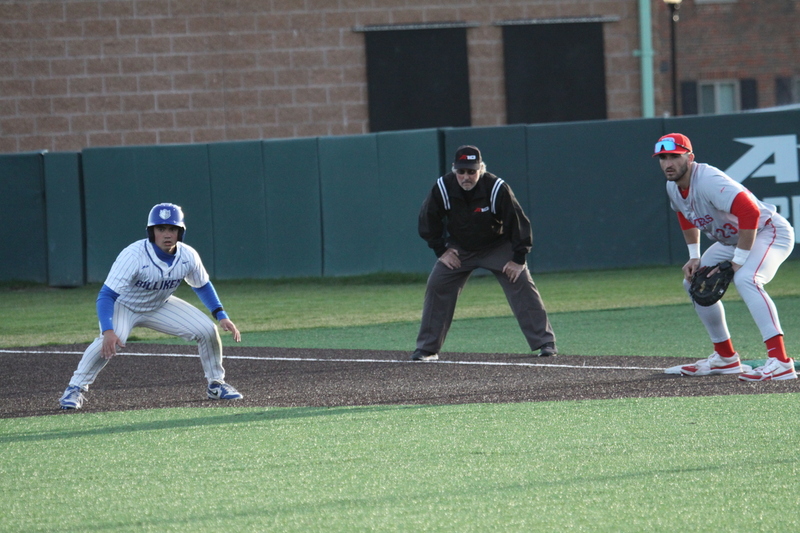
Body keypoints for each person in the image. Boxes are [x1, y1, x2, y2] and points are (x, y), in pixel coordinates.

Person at [59, 203, 244, 409]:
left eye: (172, 229)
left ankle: (216, 384)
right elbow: (106, 295)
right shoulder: (134, 255)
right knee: (107, 341)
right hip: (125, 306)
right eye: (161, 228)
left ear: (180, 232)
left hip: (159, 305)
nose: (167, 234)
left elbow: (202, 285)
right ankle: (74, 389)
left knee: (207, 330)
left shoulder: (187, 255)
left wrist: (221, 315)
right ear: (151, 231)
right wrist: (108, 330)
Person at [655, 133, 796, 381]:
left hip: (767, 231)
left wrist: (738, 260)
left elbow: (750, 212)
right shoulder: (673, 187)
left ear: (690, 157)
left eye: (675, 157)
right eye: (663, 157)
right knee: (693, 281)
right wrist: (694, 256)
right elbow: (684, 214)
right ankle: (725, 358)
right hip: (733, 239)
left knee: (747, 279)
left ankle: (781, 361)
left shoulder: (707, 179)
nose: (668, 163)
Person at [412, 145, 557, 361]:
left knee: (521, 282)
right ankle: (427, 349)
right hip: (460, 249)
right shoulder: (443, 187)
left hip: (497, 246)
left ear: (481, 169)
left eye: (471, 171)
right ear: (454, 170)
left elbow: (518, 223)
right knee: (437, 284)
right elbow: (427, 220)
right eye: (461, 172)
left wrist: (518, 259)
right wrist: (441, 250)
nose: (466, 177)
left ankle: (545, 343)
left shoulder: (497, 187)